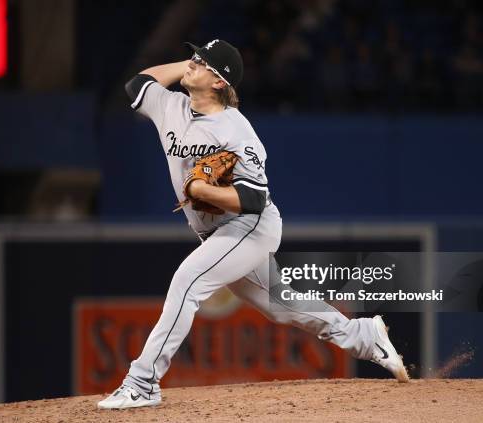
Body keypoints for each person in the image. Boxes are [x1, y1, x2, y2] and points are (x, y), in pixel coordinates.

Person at [97, 39, 409, 410]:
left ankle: (143, 382)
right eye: (193, 57)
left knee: (188, 280)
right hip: (217, 232)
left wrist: (202, 190)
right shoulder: (171, 107)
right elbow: (138, 84)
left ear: (219, 82)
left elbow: (254, 197)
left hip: (249, 226)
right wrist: (190, 64)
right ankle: (364, 336)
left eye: (203, 61)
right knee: (282, 306)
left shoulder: (235, 129)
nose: (192, 64)